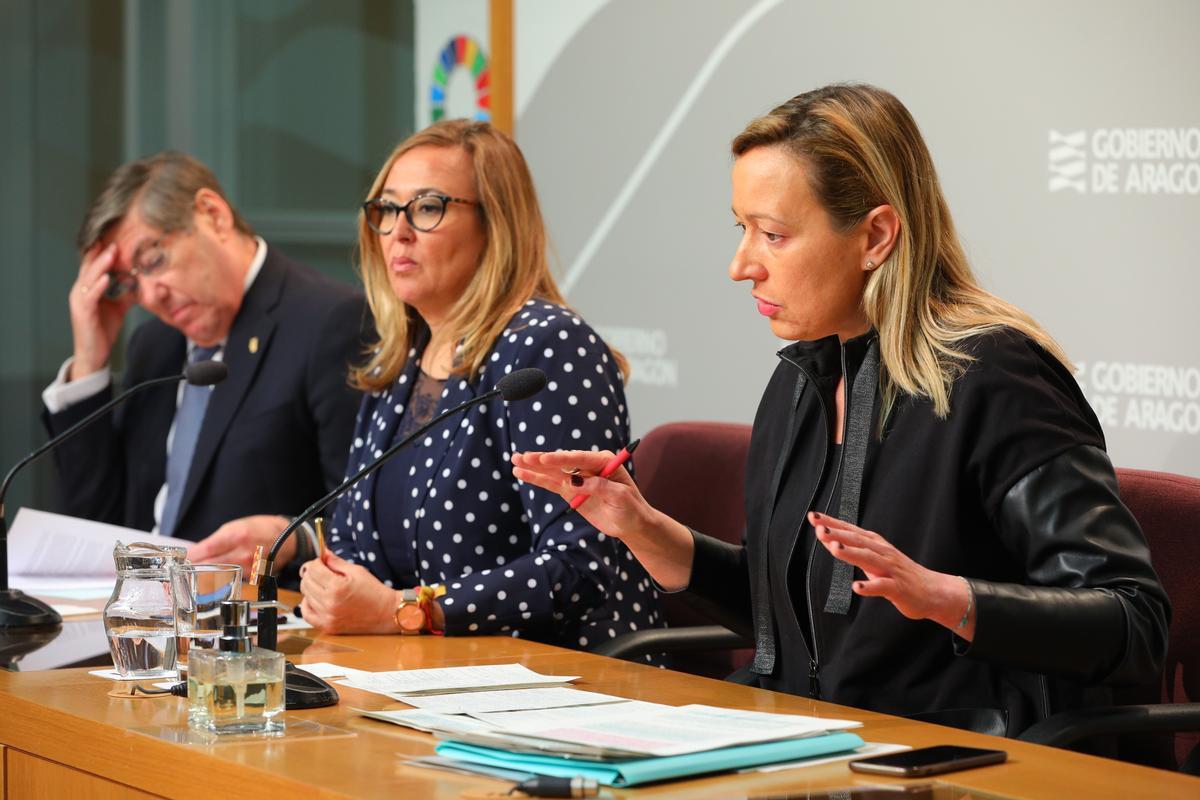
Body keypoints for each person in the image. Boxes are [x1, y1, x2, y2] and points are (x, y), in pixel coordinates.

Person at [513, 84, 1169, 736]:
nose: (742, 265)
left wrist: (946, 599)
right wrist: (645, 528)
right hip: (815, 745)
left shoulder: (997, 378)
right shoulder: (800, 380)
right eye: (742, 230)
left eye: (773, 235)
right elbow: (795, 617)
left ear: (876, 236)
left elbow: (1134, 622)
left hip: (959, 759)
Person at [297, 120, 662, 650]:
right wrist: (331, 587)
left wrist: (408, 611)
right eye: (386, 210)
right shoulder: (402, 356)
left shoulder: (548, 349)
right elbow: (355, 540)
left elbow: (580, 568)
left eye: (426, 207)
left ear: (496, 224)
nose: (398, 232)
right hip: (425, 673)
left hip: (563, 682)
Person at [43, 151, 370, 574]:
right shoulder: (154, 346)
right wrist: (90, 360)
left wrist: (293, 538)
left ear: (213, 215)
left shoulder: (330, 322)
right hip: (142, 621)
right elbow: (98, 521)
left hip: (255, 624)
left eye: (154, 261)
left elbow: (364, 523)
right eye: (128, 284)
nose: (150, 297)